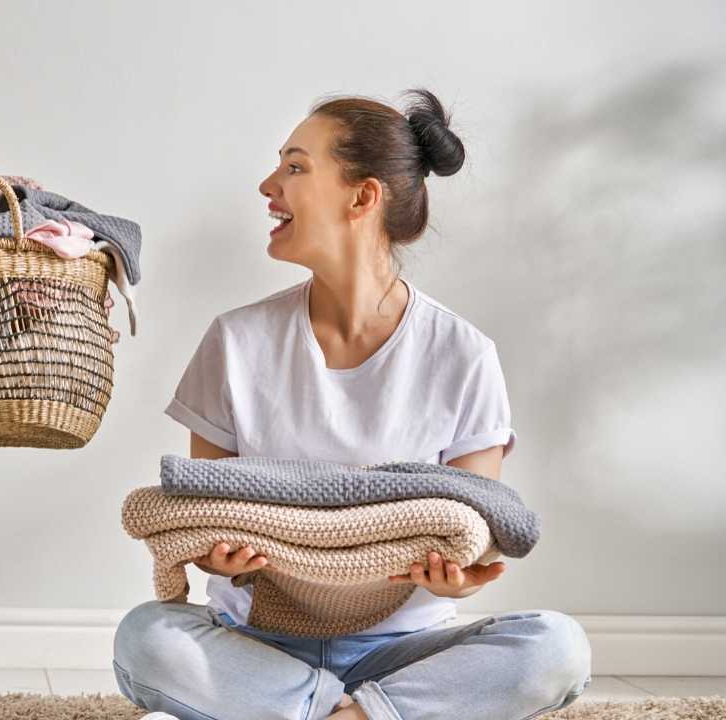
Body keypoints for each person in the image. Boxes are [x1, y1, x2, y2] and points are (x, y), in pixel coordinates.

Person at [112, 89, 592, 720]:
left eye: (294, 167)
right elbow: (207, 507)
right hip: (256, 643)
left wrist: (462, 568)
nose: (267, 184)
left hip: (405, 649)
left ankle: (341, 712)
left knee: (555, 648)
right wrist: (210, 553)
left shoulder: (462, 352)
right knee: (147, 636)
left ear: (362, 197)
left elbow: (475, 526)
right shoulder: (236, 340)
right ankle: (362, 715)